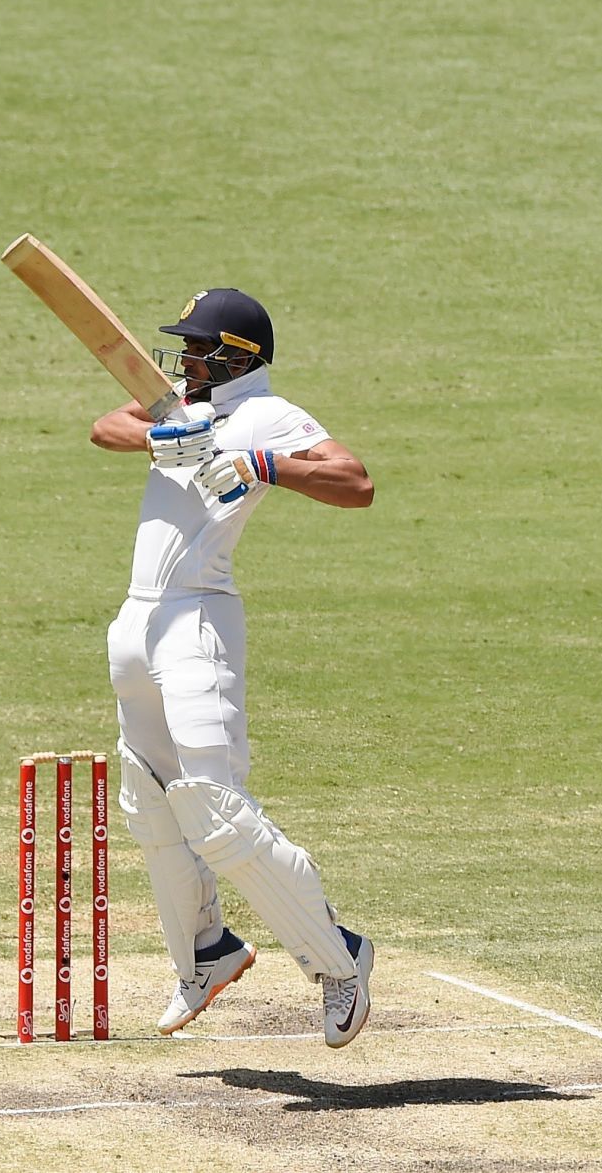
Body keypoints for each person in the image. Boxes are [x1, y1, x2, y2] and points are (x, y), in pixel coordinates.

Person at [88, 286, 377, 1048]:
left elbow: (356, 482)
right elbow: (103, 425)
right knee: (149, 799)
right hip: (137, 616)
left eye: (196, 347)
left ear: (236, 357)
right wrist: (162, 438)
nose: (183, 359)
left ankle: (338, 958)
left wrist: (261, 464)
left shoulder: (269, 414)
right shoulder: (181, 402)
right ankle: (206, 954)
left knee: (214, 806)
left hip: (198, 615)